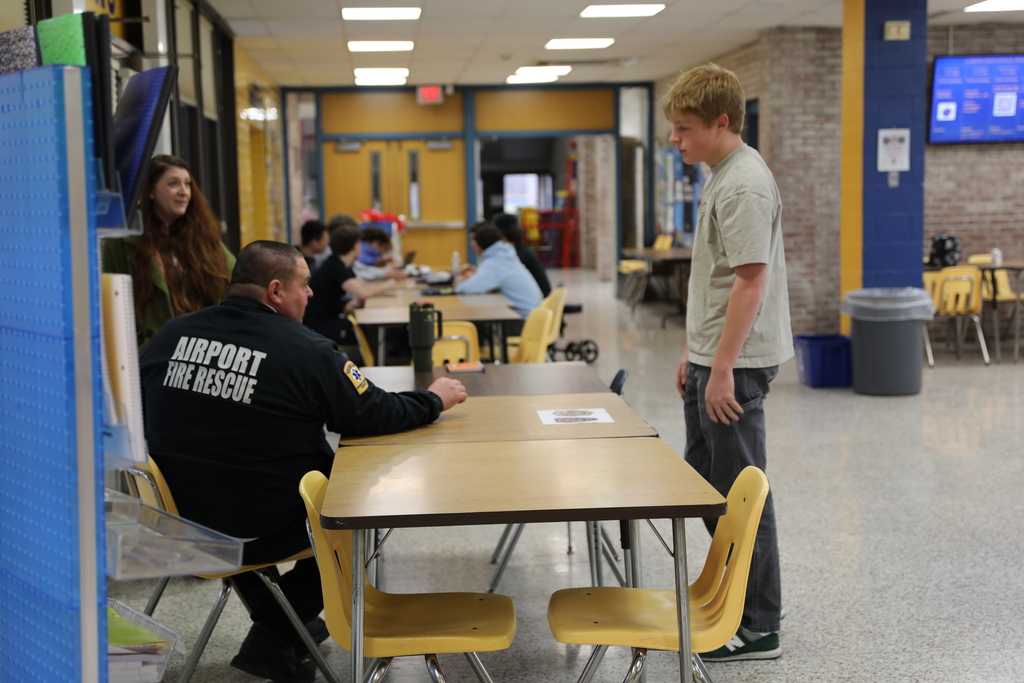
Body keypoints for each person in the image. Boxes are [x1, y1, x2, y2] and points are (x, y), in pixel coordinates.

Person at [138, 241, 467, 683]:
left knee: (239, 494)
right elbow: (371, 412)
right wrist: (432, 399)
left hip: (181, 520)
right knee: (351, 518)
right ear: (276, 290)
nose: (311, 294)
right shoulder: (308, 349)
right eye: (304, 284)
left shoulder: (171, 334)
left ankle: (282, 620)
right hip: (257, 522)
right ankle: (272, 637)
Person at [664, 63, 792, 661]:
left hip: (734, 367)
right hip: (716, 357)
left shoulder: (743, 184)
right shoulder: (722, 172)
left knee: (741, 493)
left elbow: (749, 284)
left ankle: (758, 624)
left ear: (721, 123)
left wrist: (719, 369)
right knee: (706, 482)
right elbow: (716, 281)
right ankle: (729, 598)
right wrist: (696, 352)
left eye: (684, 128)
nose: (674, 139)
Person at [102, 155, 234, 349]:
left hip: (204, 351)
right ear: (151, 191)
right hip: (152, 358)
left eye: (187, 184)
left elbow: (237, 283)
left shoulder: (204, 238)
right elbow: (109, 308)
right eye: (173, 184)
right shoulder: (122, 242)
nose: (184, 192)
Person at [303, 223, 400, 359]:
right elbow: (363, 292)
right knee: (368, 330)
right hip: (318, 327)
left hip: (327, 320)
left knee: (375, 328)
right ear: (355, 246)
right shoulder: (335, 266)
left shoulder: (342, 265)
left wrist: (345, 307)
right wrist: (387, 285)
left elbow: (362, 285)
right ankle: (375, 365)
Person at [454, 221, 543, 332]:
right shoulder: (503, 254)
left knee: (475, 323)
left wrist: (458, 281)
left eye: (472, 240)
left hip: (524, 324)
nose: (472, 244)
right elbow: (487, 280)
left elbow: (465, 289)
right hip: (534, 318)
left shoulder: (495, 262)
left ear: (477, 244)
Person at [493, 212, 552, 297]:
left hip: (538, 304)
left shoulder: (516, 256)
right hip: (540, 299)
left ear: (502, 236)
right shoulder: (521, 250)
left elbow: (499, 282)